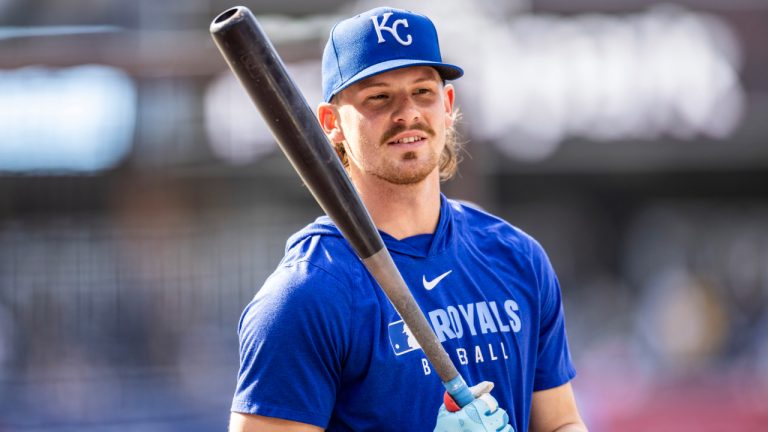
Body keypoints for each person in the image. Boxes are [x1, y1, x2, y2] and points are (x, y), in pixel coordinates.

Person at [229, 6, 587, 432]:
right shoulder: (305, 296)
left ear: (447, 104)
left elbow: (562, 422)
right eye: (379, 97)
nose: (407, 114)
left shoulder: (517, 259)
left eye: (423, 92)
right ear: (331, 123)